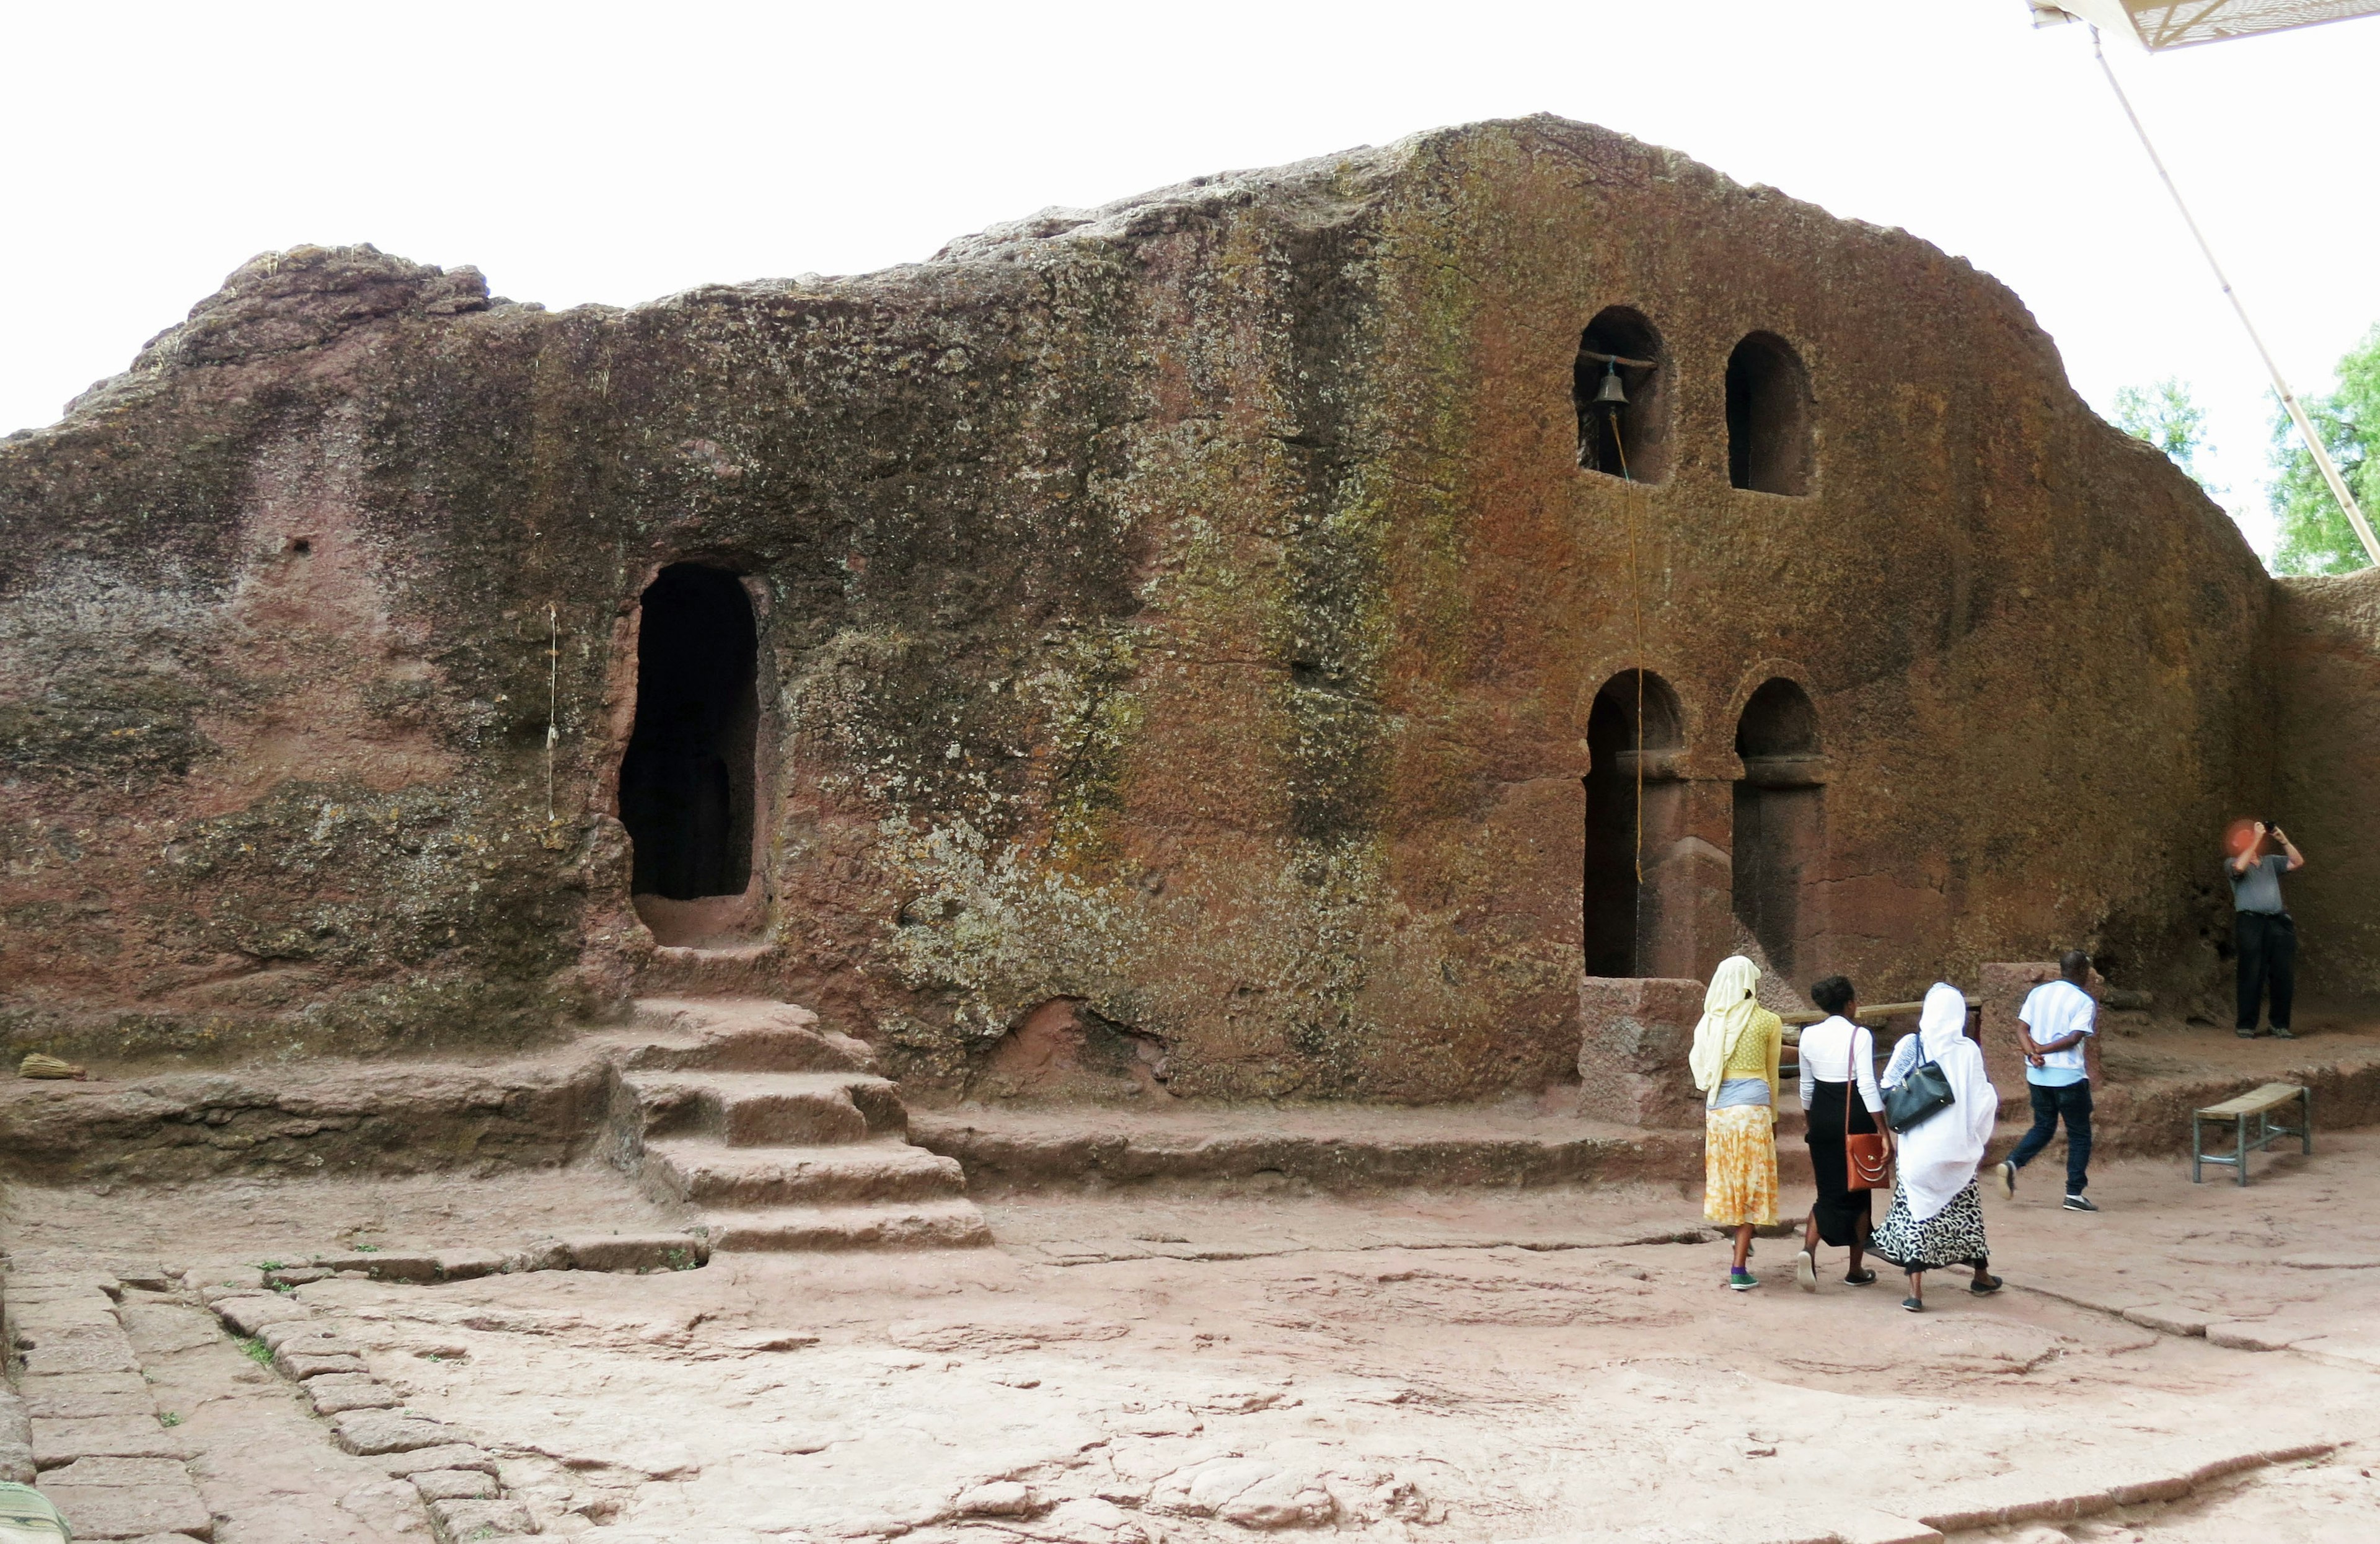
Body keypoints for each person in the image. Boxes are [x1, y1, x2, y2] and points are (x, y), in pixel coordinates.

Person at [1870, 983, 2003, 1312]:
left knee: (1918, 1213)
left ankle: (1916, 1293)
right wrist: (1973, 1134)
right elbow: (1982, 1097)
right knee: (1966, 1211)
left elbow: (1887, 1085)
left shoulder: (1911, 1045)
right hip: (1956, 1149)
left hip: (1918, 1150)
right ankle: (1981, 1276)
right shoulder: (1968, 1050)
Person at [1688, 955, 1782, 1291]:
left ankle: (1739, 1241)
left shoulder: (1709, 1023)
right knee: (1752, 1183)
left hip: (1719, 1110)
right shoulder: (1768, 1021)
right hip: (1753, 1108)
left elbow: (1702, 1070)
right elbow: (1772, 1074)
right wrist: (1773, 1117)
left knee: (1729, 1178)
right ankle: (1739, 1268)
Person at [1792, 975, 1890, 1291]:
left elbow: (1806, 1086)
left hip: (1822, 1114)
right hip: (1854, 1117)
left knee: (1828, 1193)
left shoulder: (1808, 1035)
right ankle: (1855, 1269)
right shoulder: (1859, 1036)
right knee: (1860, 1191)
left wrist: (1812, 1122)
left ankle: (1809, 1250)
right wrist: (1883, 1130)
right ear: (1849, 1004)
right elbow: (1866, 1084)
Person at [1994, 950, 2099, 1212]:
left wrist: (2032, 1053)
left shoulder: (2038, 993)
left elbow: (2021, 1028)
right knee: (2079, 1133)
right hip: (2069, 1078)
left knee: (2043, 1126)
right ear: (2083, 972)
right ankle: (2074, 1193)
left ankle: (2013, 1163)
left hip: (2038, 1076)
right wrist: (2042, 1050)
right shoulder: (2083, 1001)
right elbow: (2075, 1038)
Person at [2227, 819, 2305, 1039]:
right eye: (2243, 837)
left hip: (2277, 922)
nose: (2250, 838)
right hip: (2251, 922)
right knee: (2251, 973)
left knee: (2283, 974)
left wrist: (2282, 839)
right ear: (2235, 843)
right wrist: (2257, 838)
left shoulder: (2270, 862)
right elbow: (2239, 869)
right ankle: (2246, 1025)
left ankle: (2279, 1025)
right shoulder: (2232, 862)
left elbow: (2297, 862)